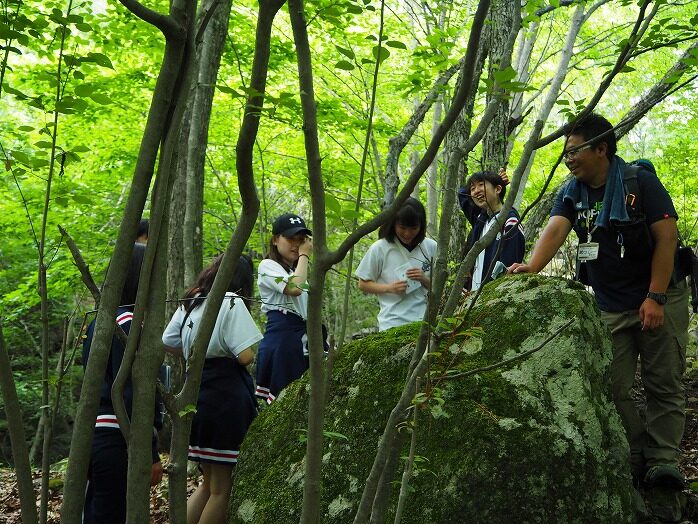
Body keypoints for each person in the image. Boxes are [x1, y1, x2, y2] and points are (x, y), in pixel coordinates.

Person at [509, 113, 690, 493]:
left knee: (663, 383)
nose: (568, 159)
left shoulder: (639, 184)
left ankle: (663, 462)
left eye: (574, 151)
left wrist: (655, 296)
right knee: (612, 385)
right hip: (611, 303)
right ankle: (639, 453)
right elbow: (557, 227)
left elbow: (667, 239)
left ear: (601, 149)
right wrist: (532, 266)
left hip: (660, 296)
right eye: (565, 153)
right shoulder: (571, 192)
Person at [162, 254, 262, 524]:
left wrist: (193, 350)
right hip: (225, 398)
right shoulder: (230, 300)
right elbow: (245, 356)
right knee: (221, 489)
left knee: (207, 485)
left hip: (195, 393)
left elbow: (167, 341)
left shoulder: (192, 301)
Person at [82, 243, 163, 524]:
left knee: (97, 511)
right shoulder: (125, 323)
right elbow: (131, 393)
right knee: (111, 514)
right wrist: (149, 451)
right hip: (116, 436)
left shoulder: (99, 320)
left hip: (93, 434)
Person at [254, 213, 314, 404]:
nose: (296, 245)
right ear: (275, 240)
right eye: (290, 239)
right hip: (282, 340)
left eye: (301, 240)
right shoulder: (267, 265)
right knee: (286, 403)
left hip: (301, 340)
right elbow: (293, 288)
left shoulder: (296, 271)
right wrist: (304, 254)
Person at [355, 197, 437, 331]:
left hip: (424, 322)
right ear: (393, 224)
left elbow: (440, 287)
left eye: (414, 228)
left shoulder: (430, 247)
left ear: (421, 226)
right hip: (392, 322)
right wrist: (389, 288)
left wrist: (424, 279)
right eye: (402, 227)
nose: (407, 233)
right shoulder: (380, 248)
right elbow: (363, 284)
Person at [457, 169, 525, 291]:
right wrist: (497, 180)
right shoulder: (480, 219)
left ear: (497, 189)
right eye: (472, 188)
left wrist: (496, 182)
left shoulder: (510, 220)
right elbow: (462, 193)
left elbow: (509, 264)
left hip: (494, 296)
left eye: (481, 185)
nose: (476, 191)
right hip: (473, 296)